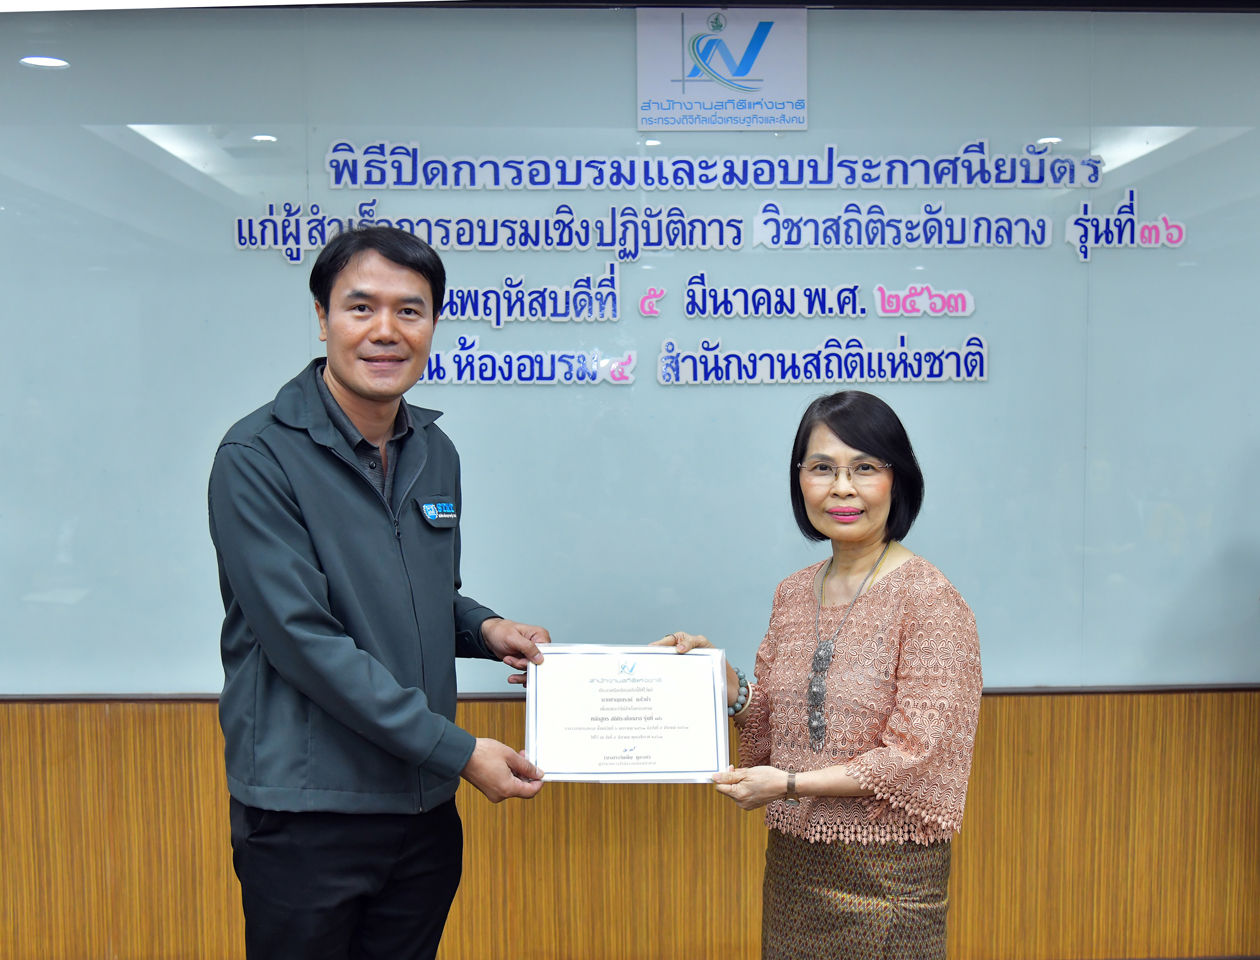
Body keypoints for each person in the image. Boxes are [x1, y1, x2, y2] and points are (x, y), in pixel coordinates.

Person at [208, 226, 549, 960]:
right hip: (309, 812)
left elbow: (421, 596)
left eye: (410, 310)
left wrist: (485, 629)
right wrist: (459, 751)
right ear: (323, 317)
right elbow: (304, 640)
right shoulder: (257, 456)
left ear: (433, 326)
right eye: (361, 307)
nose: (386, 331)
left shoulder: (433, 450)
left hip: (422, 808)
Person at [656, 390, 982, 960]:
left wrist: (789, 786)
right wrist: (722, 681)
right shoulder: (792, 593)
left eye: (865, 468)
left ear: (898, 480)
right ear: (799, 479)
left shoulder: (930, 600)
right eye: (823, 468)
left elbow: (915, 758)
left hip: (888, 883)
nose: (842, 488)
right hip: (794, 872)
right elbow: (773, 726)